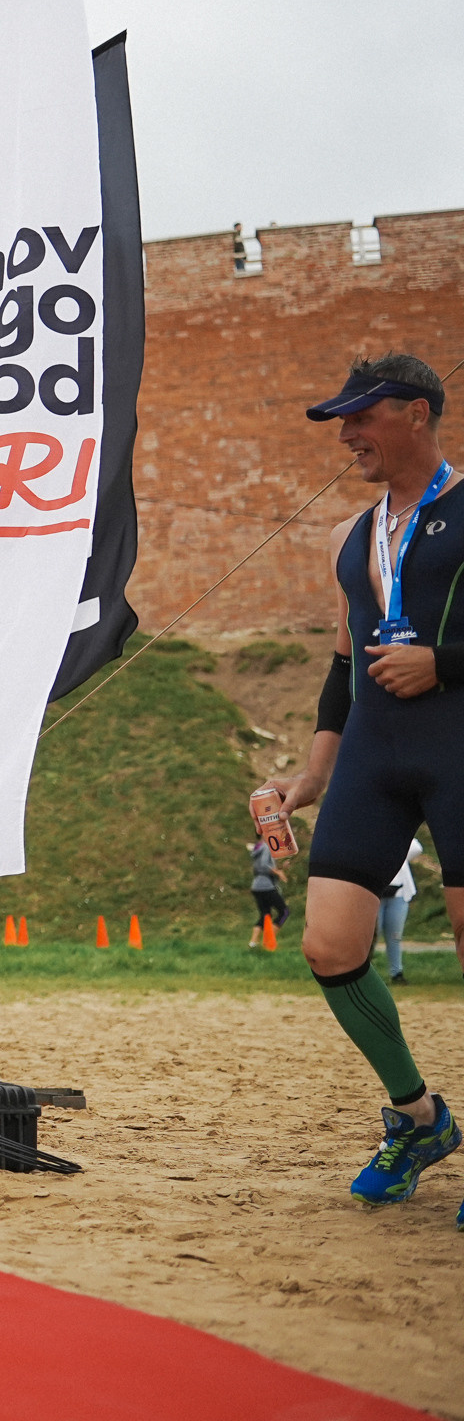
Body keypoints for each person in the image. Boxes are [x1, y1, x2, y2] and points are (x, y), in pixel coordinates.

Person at [267, 354, 464, 1218]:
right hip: (375, 762)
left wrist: (445, 664)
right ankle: (420, 1118)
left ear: (417, 414)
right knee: (330, 946)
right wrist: (309, 776)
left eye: (361, 418)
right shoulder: (350, 536)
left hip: (459, 750)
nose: (346, 436)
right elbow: (344, 668)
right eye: (340, 422)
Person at [378, 838, 426, 984]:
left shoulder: (398, 839)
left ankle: (396, 973)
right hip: (375, 893)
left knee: (394, 936)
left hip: (398, 893)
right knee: (371, 935)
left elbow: (417, 847)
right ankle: (363, 974)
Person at [247, 836, 288, 949]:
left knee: (265, 915)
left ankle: (253, 943)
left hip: (256, 886)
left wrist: (279, 869)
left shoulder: (258, 848)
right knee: (284, 912)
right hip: (266, 886)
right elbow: (265, 866)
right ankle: (268, 940)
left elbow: (261, 867)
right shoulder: (266, 847)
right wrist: (279, 873)